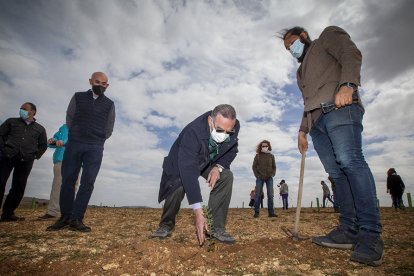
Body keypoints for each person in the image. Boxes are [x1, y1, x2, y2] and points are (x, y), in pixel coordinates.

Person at [281, 26, 383, 266]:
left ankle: (370, 234)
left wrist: (348, 84)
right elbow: (307, 102)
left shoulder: (327, 37)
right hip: (316, 123)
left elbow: (351, 53)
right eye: (288, 49)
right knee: (336, 173)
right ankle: (348, 229)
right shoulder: (299, 73)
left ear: (304, 36)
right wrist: (302, 131)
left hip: (339, 108)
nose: (291, 50)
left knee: (351, 162)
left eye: (292, 43)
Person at [151, 104, 240, 245]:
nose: (223, 135)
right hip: (182, 163)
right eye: (219, 130)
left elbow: (232, 150)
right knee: (179, 185)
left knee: (226, 177)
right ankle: (165, 225)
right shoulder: (192, 132)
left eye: (228, 132)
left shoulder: (234, 126)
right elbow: (188, 171)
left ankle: (216, 228)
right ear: (210, 121)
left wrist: (218, 167)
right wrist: (198, 213)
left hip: (206, 162)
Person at [47, 72, 115, 232]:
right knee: (68, 181)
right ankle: (65, 216)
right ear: (91, 81)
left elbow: (109, 126)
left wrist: (99, 139)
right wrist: (76, 134)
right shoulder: (78, 97)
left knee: (88, 182)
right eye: (97, 82)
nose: (100, 85)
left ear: (107, 86)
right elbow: (69, 118)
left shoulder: (109, 104)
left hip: (95, 147)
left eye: (104, 83)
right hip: (75, 144)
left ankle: (77, 219)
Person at [0, 102, 47, 221]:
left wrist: (35, 156)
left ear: (33, 112)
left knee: (18, 186)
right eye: (21, 108)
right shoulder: (11, 122)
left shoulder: (40, 129)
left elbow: (43, 145)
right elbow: (1, 135)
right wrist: (3, 149)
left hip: (26, 160)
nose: (21, 110)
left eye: (24, 109)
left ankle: (8, 213)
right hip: (7, 156)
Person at [38, 124, 79, 220]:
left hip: (75, 160)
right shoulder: (63, 127)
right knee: (57, 185)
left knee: (73, 186)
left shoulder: (83, 126)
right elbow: (53, 142)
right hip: (60, 159)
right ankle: (53, 212)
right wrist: (52, 141)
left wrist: (64, 142)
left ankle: (69, 213)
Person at [252, 140, 277, 218]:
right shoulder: (257, 156)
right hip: (260, 178)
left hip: (269, 178)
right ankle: (256, 212)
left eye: (266, 146)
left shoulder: (271, 156)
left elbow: (274, 167)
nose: (265, 147)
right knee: (258, 195)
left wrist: (272, 174)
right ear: (261, 147)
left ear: (268, 146)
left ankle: (271, 213)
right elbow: (254, 167)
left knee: (270, 195)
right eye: (263, 146)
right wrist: (257, 176)